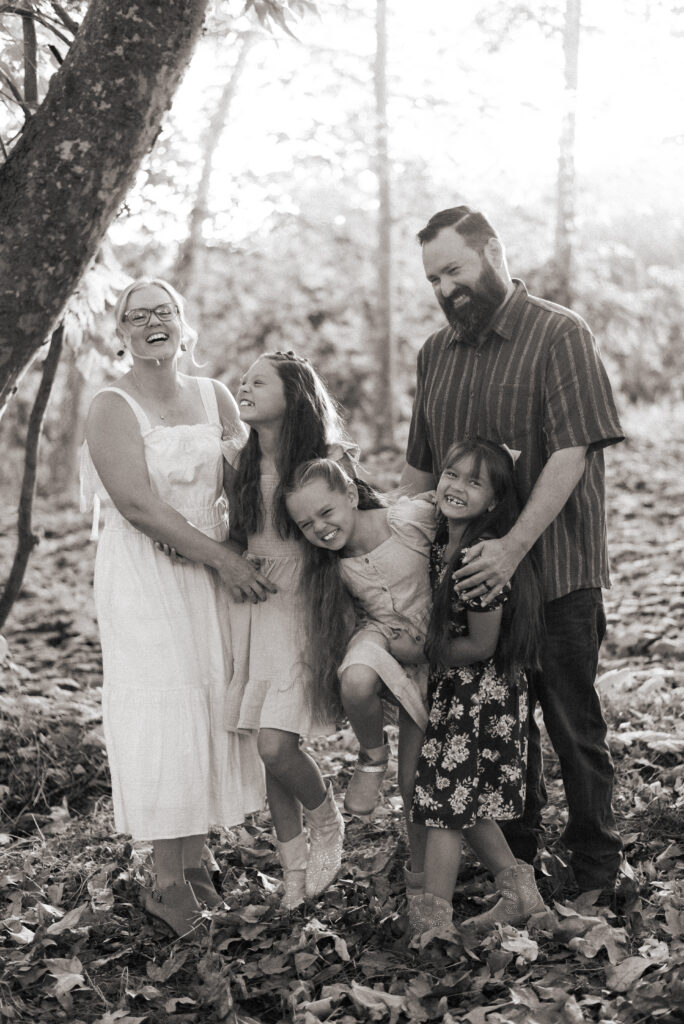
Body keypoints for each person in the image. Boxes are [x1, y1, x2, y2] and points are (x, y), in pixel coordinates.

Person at [402, 205, 625, 894]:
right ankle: (518, 873)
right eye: (434, 278)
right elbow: (420, 468)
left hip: (555, 574)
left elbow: (572, 452)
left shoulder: (559, 334)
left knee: (570, 728)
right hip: (465, 589)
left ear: (493, 251)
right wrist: (399, 564)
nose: (445, 288)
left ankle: (594, 872)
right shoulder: (434, 354)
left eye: (455, 269)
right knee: (500, 733)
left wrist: (511, 549)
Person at [80, 278, 276, 937]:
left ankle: (193, 868)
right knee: (165, 703)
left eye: (162, 311)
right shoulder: (111, 405)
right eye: (137, 317)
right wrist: (218, 557)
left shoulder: (214, 395)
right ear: (122, 334)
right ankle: (164, 884)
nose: (151, 323)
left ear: (182, 322)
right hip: (146, 571)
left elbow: (247, 480)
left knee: (204, 703)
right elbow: (136, 506)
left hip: (205, 566)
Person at [222, 351, 358, 910]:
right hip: (255, 609)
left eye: (259, 381)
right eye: (243, 380)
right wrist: (214, 555)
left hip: (307, 607)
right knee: (265, 745)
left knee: (278, 744)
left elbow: (351, 527)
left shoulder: (326, 458)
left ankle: (328, 822)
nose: (244, 387)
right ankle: (294, 874)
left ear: (293, 394)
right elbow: (234, 536)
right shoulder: (238, 460)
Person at [409, 439, 545, 933]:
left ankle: (433, 923)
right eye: (451, 473)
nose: (456, 486)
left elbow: (482, 645)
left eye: (474, 481)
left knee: (446, 807)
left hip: (481, 697)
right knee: (464, 801)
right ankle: (521, 897)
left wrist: (419, 652)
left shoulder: (478, 558)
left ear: (493, 502)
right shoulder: (440, 543)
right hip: (456, 695)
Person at [284, 457, 431, 908]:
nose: (321, 529)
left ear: (350, 494)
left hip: (434, 641)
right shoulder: (331, 563)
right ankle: (370, 759)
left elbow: (463, 519)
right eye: (307, 525)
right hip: (382, 634)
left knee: (414, 780)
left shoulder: (407, 519)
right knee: (355, 677)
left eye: (326, 513)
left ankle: (424, 881)